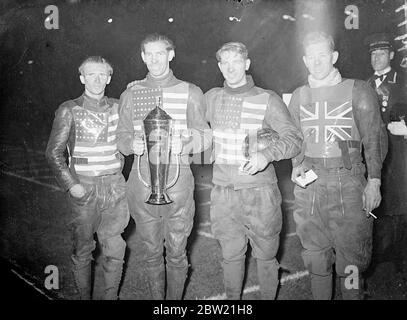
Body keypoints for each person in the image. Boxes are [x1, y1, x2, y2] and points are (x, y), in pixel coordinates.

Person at [288, 31, 388, 300]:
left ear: (334, 57)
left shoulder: (358, 90)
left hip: (349, 180)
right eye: (312, 57)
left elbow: (374, 139)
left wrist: (374, 181)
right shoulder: (299, 95)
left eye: (323, 55)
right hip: (310, 184)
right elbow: (294, 137)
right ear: (305, 61)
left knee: (352, 257)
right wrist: (296, 165)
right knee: (315, 255)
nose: (318, 62)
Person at [204, 42, 303, 300]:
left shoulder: (267, 98)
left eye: (236, 61)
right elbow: (181, 114)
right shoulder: (211, 97)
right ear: (219, 66)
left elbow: (294, 138)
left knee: (266, 256)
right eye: (224, 62)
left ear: (247, 64)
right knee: (230, 256)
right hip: (224, 193)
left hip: (260, 193)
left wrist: (265, 156)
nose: (230, 67)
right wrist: (139, 86)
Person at [116, 33, 210, 300]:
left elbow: (205, 134)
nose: (155, 59)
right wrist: (129, 144)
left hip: (178, 182)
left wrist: (187, 143)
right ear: (143, 57)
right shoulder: (131, 93)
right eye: (150, 54)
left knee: (178, 253)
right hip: (141, 180)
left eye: (161, 53)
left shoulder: (191, 91)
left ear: (171, 54)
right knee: (151, 252)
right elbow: (121, 136)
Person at [45, 56, 130, 300]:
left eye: (102, 74)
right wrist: (71, 185)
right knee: (83, 250)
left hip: (115, 187)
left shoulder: (119, 106)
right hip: (85, 188)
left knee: (116, 247)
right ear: (82, 78)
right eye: (91, 74)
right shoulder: (69, 109)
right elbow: (53, 152)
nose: (97, 79)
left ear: (109, 78)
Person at [365, 33, 407, 271]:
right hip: (374, 151)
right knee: (379, 201)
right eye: (373, 54)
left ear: (391, 55)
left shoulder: (402, 80)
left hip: (400, 153)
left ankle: (401, 256)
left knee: (400, 204)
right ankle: (380, 252)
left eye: (381, 53)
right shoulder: (365, 84)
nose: (376, 58)